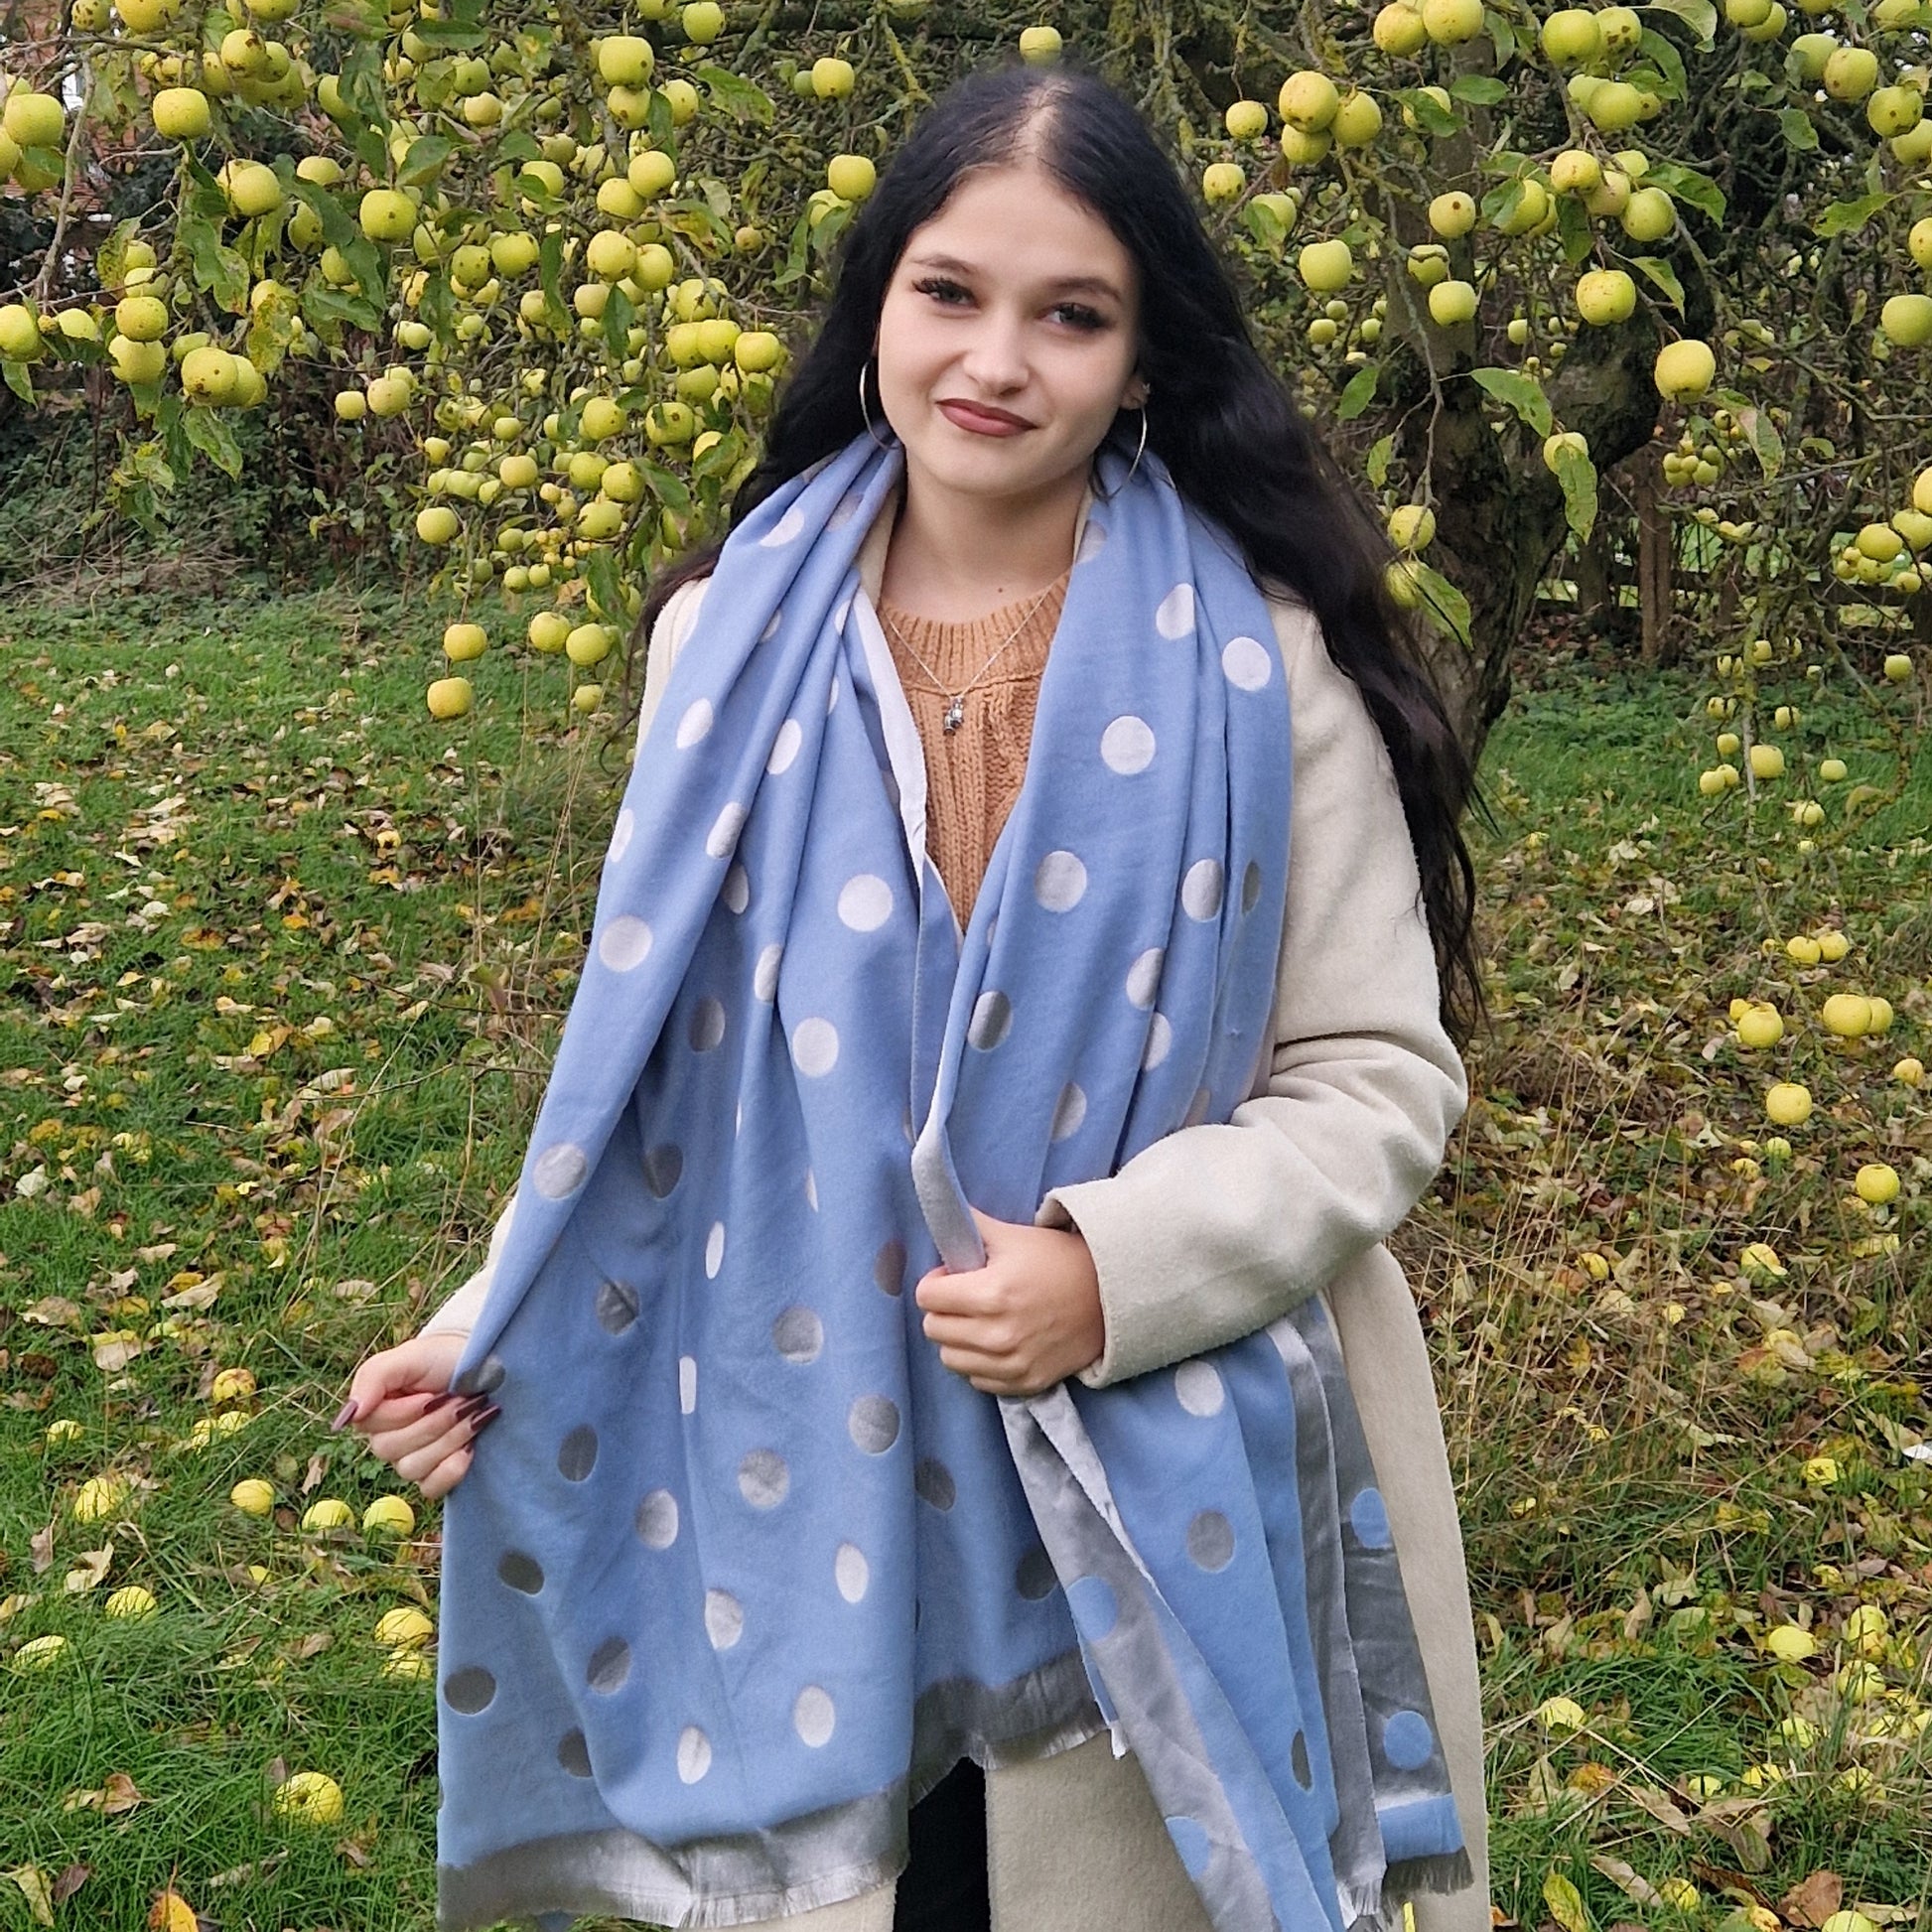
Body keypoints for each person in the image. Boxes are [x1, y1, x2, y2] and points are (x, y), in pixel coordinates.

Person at [337, 53, 1490, 1932]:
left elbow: (1373, 1075)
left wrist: (1112, 1270)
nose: (995, 361)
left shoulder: (1264, 665)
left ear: (1144, 359)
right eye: (949, 290)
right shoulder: (720, 642)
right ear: (877, 299)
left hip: (1162, 1428)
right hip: (814, 1438)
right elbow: (671, 1076)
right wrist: (489, 1325)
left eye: (1072, 315)